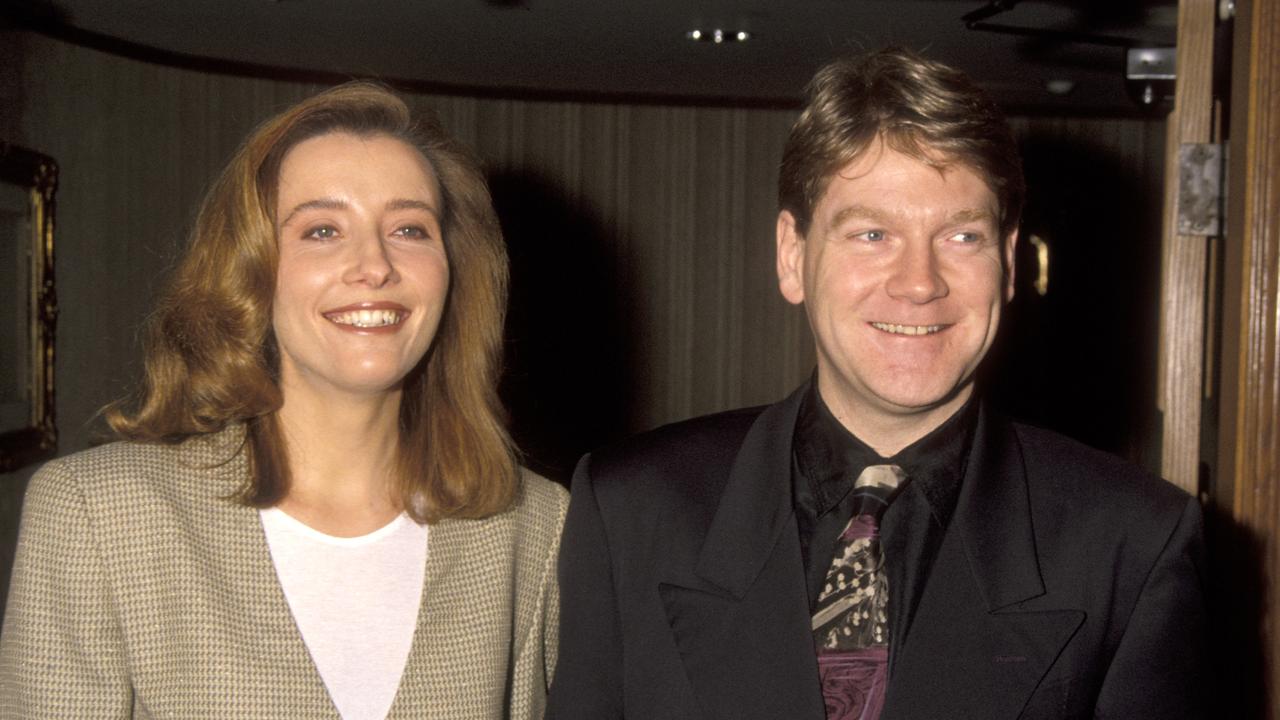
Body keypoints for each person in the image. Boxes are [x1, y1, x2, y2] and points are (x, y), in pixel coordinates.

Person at [548, 48, 1206, 720]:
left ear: (1008, 265)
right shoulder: (631, 510)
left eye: (961, 237)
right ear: (792, 256)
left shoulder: (1133, 542)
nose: (919, 282)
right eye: (871, 233)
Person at [0, 83, 566, 719]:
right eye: (322, 230)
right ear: (251, 270)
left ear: (453, 269)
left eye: (409, 228)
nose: (374, 265)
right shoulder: (98, 517)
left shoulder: (532, 526)